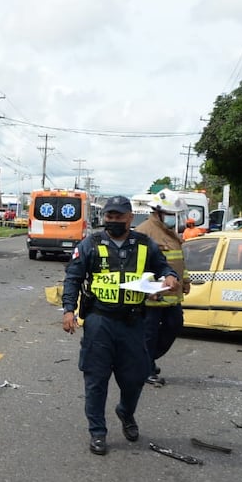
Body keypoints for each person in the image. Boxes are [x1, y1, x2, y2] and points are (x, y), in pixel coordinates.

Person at [61, 195, 179, 456]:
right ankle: (98, 432)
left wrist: (170, 277)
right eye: (109, 217)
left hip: (133, 322)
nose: (112, 221)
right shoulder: (91, 244)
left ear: (129, 218)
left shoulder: (145, 244)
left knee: (135, 378)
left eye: (118, 217)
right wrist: (69, 309)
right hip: (99, 322)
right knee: (95, 379)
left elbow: (164, 268)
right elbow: (73, 277)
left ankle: (126, 412)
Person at [134, 192, 191, 386]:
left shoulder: (170, 233)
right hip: (153, 297)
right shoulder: (144, 232)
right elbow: (137, 266)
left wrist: (185, 280)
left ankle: (145, 360)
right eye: (169, 213)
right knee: (149, 334)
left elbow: (178, 261)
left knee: (174, 325)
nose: (173, 218)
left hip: (172, 295)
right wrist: (147, 289)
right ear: (158, 212)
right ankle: (145, 368)